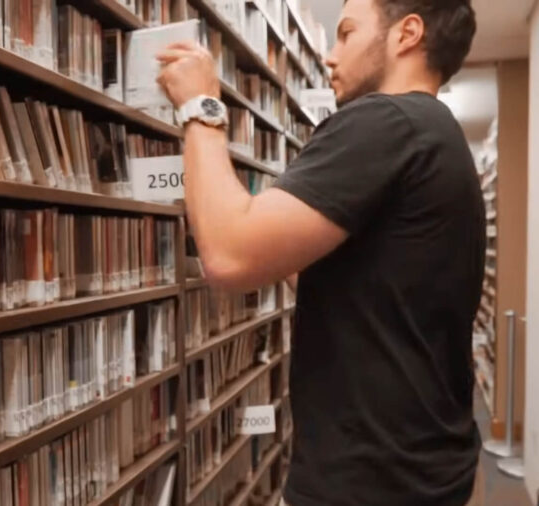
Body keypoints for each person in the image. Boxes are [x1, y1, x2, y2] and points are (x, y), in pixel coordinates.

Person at [157, 0, 482, 504]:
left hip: (367, 485)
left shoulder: (386, 121)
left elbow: (227, 256)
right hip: (421, 470)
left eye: (346, 34)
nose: (330, 57)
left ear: (407, 34)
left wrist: (201, 109)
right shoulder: (437, 135)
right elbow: (354, 284)